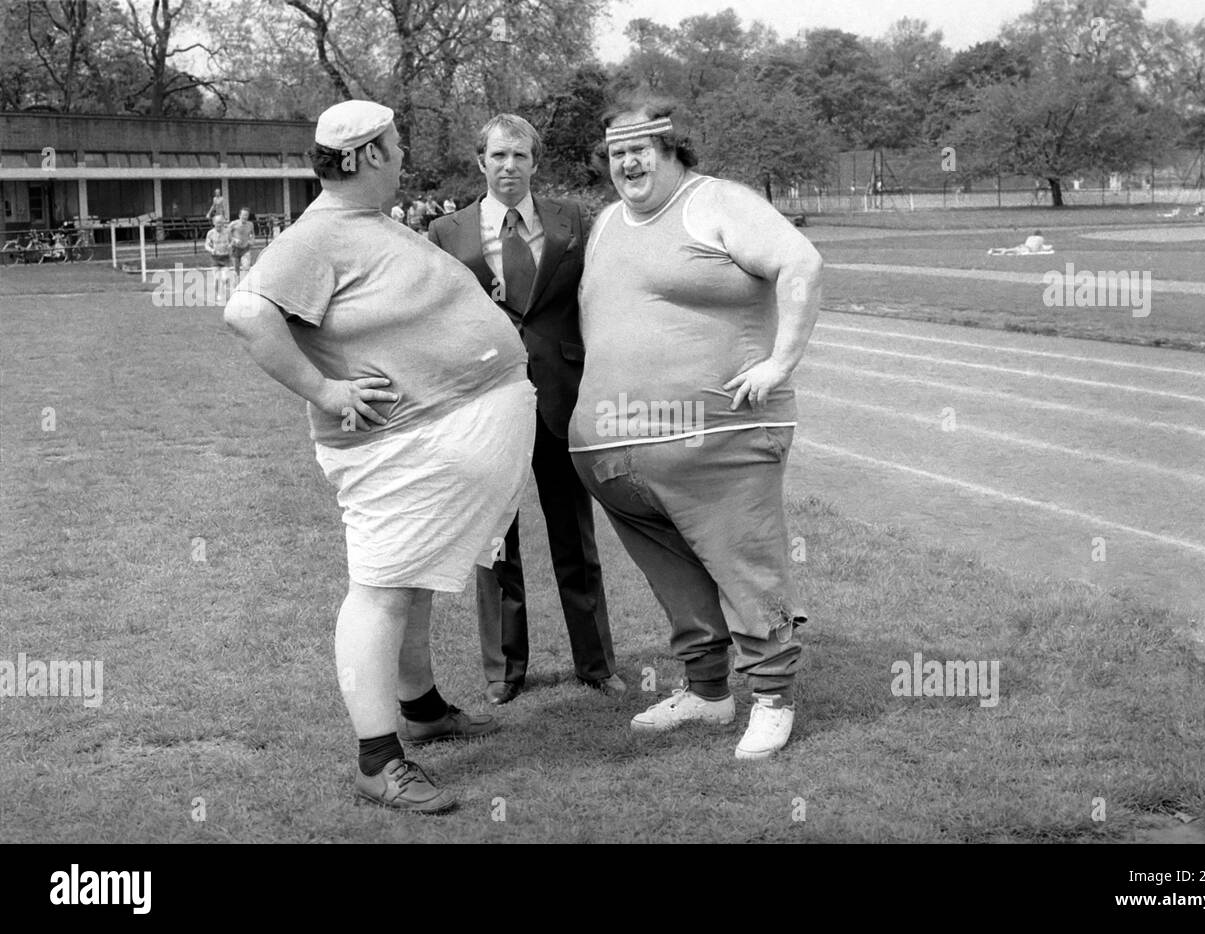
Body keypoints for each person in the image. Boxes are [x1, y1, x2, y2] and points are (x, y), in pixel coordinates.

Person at [223, 100, 536, 812]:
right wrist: (326, 389)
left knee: (411, 581)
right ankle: (377, 761)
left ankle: (420, 706)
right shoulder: (319, 232)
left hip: (434, 440)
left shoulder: (367, 225)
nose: (401, 156)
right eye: (393, 146)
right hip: (396, 449)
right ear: (364, 155)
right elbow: (246, 315)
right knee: (382, 592)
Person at [570, 95, 821, 760]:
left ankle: (772, 697)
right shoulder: (605, 223)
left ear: (673, 149)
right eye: (616, 152)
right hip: (615, 458)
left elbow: (800, 263)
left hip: (720, 444)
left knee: (746, 567)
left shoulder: (718, 202)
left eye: (641, 148)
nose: (627, 161)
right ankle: (707, 692)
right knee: (678, 580)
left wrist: (779, 361)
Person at [428, 114, 622, 706]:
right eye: (498, 156)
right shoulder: (447, 233)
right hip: (488, 404)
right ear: (480, 162)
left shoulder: (573, 222)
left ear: (535, 163)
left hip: (562, 398)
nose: (508, 166)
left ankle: (596, 663)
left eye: (520, 156)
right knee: (496, 541)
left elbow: (600, 299)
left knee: (575, 536)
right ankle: (504, 671)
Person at [228, 206, 255, 277]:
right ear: (239, 215)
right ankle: (237, 286)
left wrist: (252, 240)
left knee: (246, 267)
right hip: (235, 249)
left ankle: (247, 285)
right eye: (243, 215)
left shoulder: (250, 224)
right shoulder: (233, 224)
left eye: (246, 215)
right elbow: (226, 234)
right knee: (236, 270)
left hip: (245, 249)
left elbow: (252, 234)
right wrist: (234, 239)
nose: (245, 217)